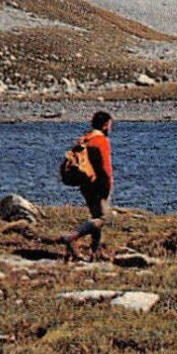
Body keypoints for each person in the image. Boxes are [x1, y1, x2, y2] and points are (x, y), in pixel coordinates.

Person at [61, 110, 113, 262]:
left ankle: (95, 252)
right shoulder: (101, 141)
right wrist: (107, 186)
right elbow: (105, 167)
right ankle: (71, 237)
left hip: (86, 183)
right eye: (110, 125)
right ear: (105, 125)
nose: (110, 128)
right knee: (102, 219)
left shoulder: (85, 139)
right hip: (98, 183)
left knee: (95, 217)